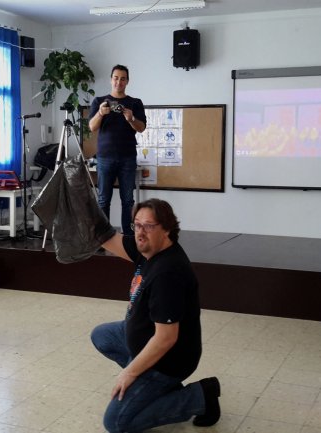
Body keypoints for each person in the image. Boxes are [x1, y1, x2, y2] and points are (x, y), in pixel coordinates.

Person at [91, 198, 220, 432]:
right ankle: (155, 388)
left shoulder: (168, 274)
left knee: (117, 423)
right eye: (137, 225)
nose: (140, 233)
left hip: (169, 360)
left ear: (167, 229)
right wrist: (82, 205)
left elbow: (166, 339)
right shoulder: (149, 247)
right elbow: (108, 238)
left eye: (148, 226)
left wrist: (130, 372)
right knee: (102, 336)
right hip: (145, 338)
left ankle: (200, 396)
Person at [89, 64, 146, 236]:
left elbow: (141, 128)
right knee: (103, 200)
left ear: (127, 81)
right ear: (111, 79)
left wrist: (131, 118)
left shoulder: (135, 103)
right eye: (116, 78)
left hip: (128, 157)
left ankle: (127, 236)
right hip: (105, 157)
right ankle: (103, 236)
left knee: (128, 200)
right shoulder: (99, 101)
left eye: (122, 79)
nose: (118, 82)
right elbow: (92, 127)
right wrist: (101, 113)